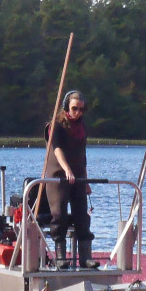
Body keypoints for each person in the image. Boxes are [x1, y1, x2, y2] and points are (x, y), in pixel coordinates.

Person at [43, 89, 97, 268]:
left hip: (78, 176)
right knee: (59, 214)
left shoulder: (82, 126)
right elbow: (57, 149)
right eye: (75, 109)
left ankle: (85, 258)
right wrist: (66, 170)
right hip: (58, 175)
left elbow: (83, 155)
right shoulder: (56, 125)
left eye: (82, 110)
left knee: (82, 214)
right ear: (67, 107)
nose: (78, 113)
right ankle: (60, 257)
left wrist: (86, 180)